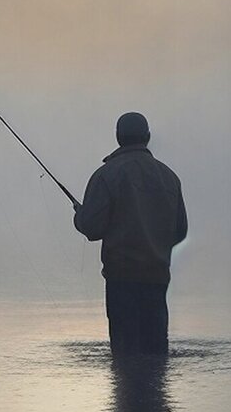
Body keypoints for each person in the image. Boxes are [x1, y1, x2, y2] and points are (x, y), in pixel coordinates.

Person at [73, 112, 187, 356]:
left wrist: (80, 215)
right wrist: (155, 248)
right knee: (156, 356)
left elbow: (92, 228)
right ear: (147, 137)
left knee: (124, 358)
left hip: (121, 279)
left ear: (118, 138)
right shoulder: (169, 177)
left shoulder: (106, 175)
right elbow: (180, 230)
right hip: (157, 278)